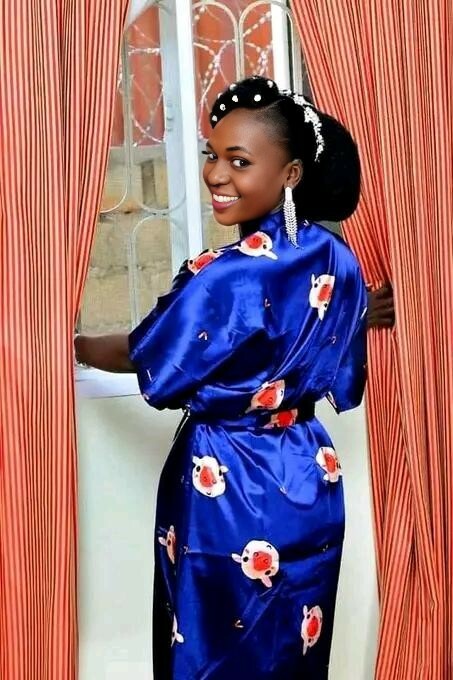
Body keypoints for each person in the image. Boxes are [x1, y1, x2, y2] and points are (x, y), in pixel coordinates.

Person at [75, 76, 378, 679]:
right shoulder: (336, 257)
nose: (216, 175)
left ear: (291, 174)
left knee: (213, 653)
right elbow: (343, 360)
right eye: (212, 155)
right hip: (309, 474)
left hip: (228, 480)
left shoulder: (223, 274)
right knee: (291, 649)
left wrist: (69, 344)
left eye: (239, 161)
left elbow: (147, 356)